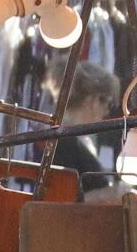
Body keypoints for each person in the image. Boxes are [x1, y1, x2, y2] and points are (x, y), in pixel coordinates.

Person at [51, 62, 119, 194]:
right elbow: (64, 199)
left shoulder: (76, 139)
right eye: (108, 103)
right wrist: (111, 194)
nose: (106, 111)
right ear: (93, 99)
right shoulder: (64, 140)